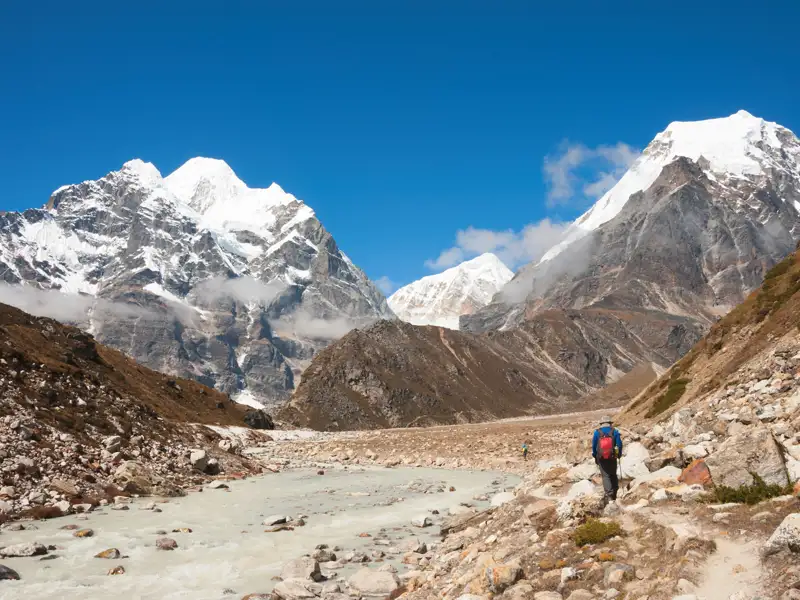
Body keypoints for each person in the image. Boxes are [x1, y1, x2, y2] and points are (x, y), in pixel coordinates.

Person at [592, 416, 623, 504]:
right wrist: (619, 454)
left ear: (601, 424)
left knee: (605, 476)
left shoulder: (597, 433)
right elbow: (619, 444)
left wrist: (595, 456)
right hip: (612, 456)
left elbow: (594, 446)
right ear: (610, 423)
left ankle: (609, 496)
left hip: (601, 458)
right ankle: (615, 493)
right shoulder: (614, 431)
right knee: (613, 474)